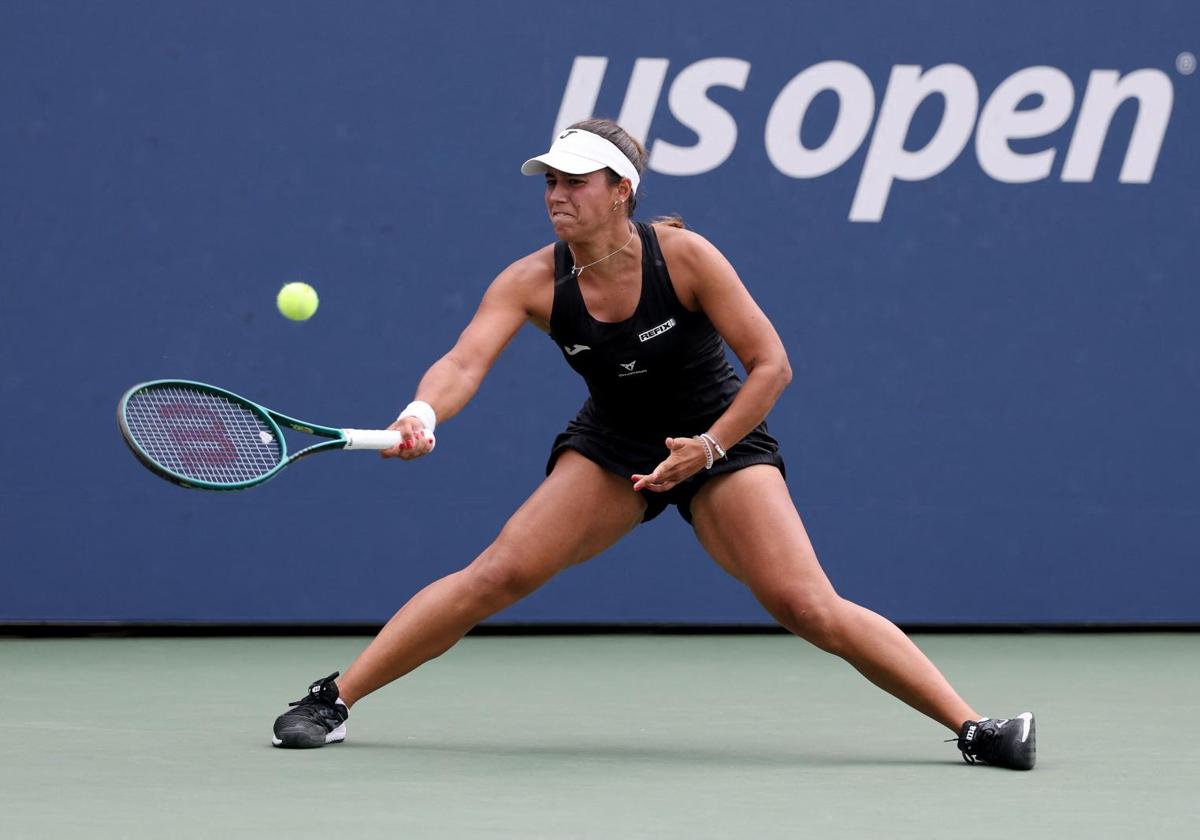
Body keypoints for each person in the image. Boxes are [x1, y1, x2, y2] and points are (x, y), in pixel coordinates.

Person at [270, 119, 1036, 770]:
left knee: (806, 603)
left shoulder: (688, 258)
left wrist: (708, 446)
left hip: (721, 439)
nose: (557, 196)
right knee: (495, 575)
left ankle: (974, 728)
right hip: (616, 444)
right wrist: (423, 413)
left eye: (576, 182)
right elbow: (464, 361)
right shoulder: (533, 281)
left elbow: (773, 366)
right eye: (550, 183)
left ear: (621, 191)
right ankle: (333, 699)